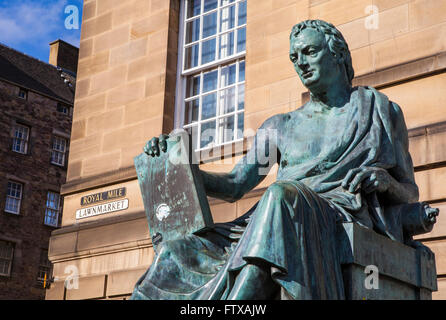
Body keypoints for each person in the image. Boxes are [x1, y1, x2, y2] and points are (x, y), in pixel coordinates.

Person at [130, 20, 438, 300]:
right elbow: (236, 185)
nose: (301, 64)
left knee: (280, 197)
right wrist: (177, 166)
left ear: (338, 53)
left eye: (309, 52)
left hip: (334, 213)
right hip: (271, 219)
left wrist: (385, 182)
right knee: (175, 252)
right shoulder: (281, 126)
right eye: (294, 57)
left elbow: (410, 192)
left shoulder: (381, 112)